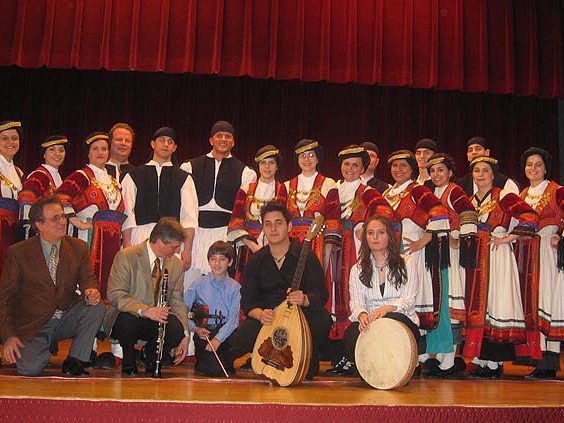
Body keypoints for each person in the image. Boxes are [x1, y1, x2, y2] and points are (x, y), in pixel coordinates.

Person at [225, 201, 332, 380]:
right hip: (268, 319)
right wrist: (260, 314)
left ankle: (303, 360)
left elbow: (321, 294)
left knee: (322, 320)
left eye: (278, 223)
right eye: (268, 224)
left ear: (289, 227)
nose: (273, 229)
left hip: (299, 320)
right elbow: (248, 301)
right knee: (223, 355)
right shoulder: (257, 260)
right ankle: (262, 357)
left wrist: (304, 299)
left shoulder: (306, 256)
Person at [0, 196, 104, 376]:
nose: (62, 222)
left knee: (96, 307)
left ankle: (75, 360)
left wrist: (90, 290)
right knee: (29, 369)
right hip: (33, 324)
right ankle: (41, 349)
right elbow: (4, 297)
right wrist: (9, 335)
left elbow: (88, 277)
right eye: (55, 218)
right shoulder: (18, 253)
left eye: (63, 216)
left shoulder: (78, 247)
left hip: (65, 317)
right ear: (39, 224)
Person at [464, 156, 539, 378]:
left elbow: (530, 217)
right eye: (476, 170)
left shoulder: (503, 195)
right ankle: (481, 360)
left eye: (485, 170)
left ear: (493, 175)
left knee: (496, 303)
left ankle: (494, 363)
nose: (480, 175)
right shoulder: (470, 200)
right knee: (480, 307)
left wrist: (508, 238)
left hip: (496, 255)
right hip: (476, 258)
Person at [382, 150, 450, 370]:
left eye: (404, 165)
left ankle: (420, 355)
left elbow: (440, 212)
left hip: (413, 254)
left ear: (412, 169)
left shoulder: (418, 190)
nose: (398, 170)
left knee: (414, 301)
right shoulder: (387, 192)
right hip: (390, 254)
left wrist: (424, 240)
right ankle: (401, 354)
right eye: (395, 166)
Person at [324, 145, 395, 341]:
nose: (350, 169)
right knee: (334, 292)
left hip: (355, 247)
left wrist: (364, 227)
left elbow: (386, 213)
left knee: (354, 290)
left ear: (363, 168)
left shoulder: (367, 191)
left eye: (355, 165)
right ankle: (338, 342)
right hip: (334, 246)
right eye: (346, 164)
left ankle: (357, 338)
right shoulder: (334, 191)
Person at [104, 217, 190, 376]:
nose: (178, 251)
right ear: (160, 242)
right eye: (175, 247)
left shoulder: (176, 264)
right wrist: (145, 310)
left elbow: (177, 301)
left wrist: (185, 334)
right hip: (129, 314)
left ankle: (149, 356)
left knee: (176, 328)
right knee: (127, 321)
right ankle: (129, 360)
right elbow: (115, 294)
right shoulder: (126, 256)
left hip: (156, 318)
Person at [342, 215, 422, 375]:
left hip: (400, 317)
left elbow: (408, 300)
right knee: (351, 333)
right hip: (371, 321)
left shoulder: (407, 263)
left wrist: (386, 309)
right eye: (370, 233)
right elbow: (356, 304)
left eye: (381, 232)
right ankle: (372, 370)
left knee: (391, 320)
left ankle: (404, 364)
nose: (375, 237)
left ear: (389, 236)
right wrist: (362, 315)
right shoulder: (357, 269)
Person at [181, 120, 256, 288]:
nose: (223, 139)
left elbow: (242, 211)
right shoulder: (190, 167)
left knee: (220, 285)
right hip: (196, 234)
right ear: (211, 140)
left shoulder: (245, 172)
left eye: (228, 136)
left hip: (224, 234)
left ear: (233, 142)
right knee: (188, 284)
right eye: (219, 136)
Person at [56, 132, 125, 299]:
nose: (100, 152)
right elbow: (60, 197)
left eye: (104, 149)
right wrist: (75, 220)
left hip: (111, 240)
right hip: (89, 237)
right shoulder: (82, 175)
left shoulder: (113, 181)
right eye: (95, 149)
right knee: (87, 279)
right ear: (88, 153)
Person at [426, 153, 478, 377]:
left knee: (449, 303)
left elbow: (469, 213)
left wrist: (461, 239)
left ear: (450, 172)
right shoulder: (431, 193)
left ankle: (448, 360)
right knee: (439, 302)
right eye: (433, 171)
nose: (436, 174)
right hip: (435, 254)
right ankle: (438, 356)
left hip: (449, 255)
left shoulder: (454, 191)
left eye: (441, 170)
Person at [518, 147, 564, 379]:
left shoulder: (557, 191)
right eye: (529, 164)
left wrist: (560, 237)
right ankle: (538, 358)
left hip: (546, 252)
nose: (533, 168)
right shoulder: (523, 193)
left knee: (547, 301)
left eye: (538, 164)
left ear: (546, 168)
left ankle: (550, 361)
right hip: (526, 253)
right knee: (532, 304)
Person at [121, 126, 197, 263]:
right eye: (162, 140)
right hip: (140, 238)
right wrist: (127, 245)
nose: (166, 144)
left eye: (170, 141)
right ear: (153, 144)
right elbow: (127, 212)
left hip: (172, 240)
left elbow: (189, 217)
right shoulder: (133, 175)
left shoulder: (184, 178)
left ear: (174, 148)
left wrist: (187, 249)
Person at [227, 145, 287, 283]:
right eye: (263, 163)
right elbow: (236, 220)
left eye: (271, 162)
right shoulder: (246, 189)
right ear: (258, 166)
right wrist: (254, 247)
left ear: (277, 167)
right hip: (248, 246)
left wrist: (270, 247)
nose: (267, 167)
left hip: (274, 246)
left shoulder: (282, 189)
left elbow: (283, 220)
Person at [184, 241, 240, 377]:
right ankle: (212, 363)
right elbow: (183, 309)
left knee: (218, 366)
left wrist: (218, 339)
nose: (217, 263)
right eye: (213, 259)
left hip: (225, 333)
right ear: (208, 261)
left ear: (230, 262)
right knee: (212, 370)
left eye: (222, 259)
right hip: (204, 332)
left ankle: (223, 363)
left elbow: (233, 320)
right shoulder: (198, 284)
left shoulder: (235, 288)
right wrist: (195, 328)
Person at [284, 138, 338, 268]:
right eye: (302, 155)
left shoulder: (329, 184)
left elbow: (333, 220)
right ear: (297, 160)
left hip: (318, 242)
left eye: (311, 155)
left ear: (318, 159)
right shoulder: (286, 186)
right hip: (290, 244)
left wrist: (326, 253)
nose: (307, 159)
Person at [19, 135, 68, 237]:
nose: (57, 154)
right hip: (41, 231)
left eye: (61, 150)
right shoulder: (38, 175)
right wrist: (29, 228)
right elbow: (26, 198)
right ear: (44, 155)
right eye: (52, 150)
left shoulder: (59, 178)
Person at [0, 120, 25, 275]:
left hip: (14, 231)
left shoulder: (19, 172)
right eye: (5, 138)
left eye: (14, 138)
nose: (10, 142)